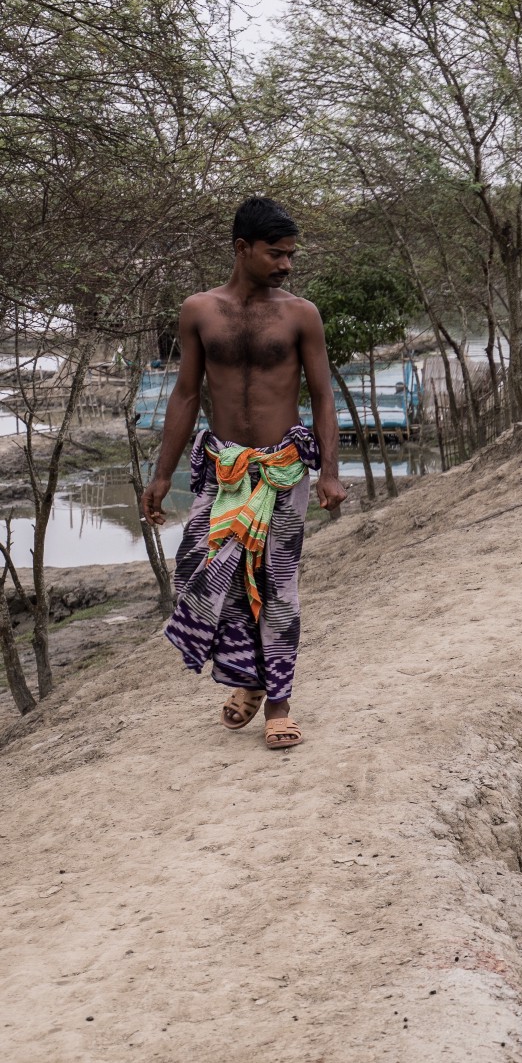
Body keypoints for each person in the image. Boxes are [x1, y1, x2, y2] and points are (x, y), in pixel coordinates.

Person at [141, 196, 346, 750]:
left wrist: (329, 470)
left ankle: (277, 704)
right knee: (202, 574)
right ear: (242, 248)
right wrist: (162, 476)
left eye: (290, 255)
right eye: (276, 254)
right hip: (223, 468)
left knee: (276, 585)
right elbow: (186, 394)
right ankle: (249, 678)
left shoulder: (300, 314)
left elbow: (323, 396)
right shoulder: (199, 311)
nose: (286, 264)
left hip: (282, 469)